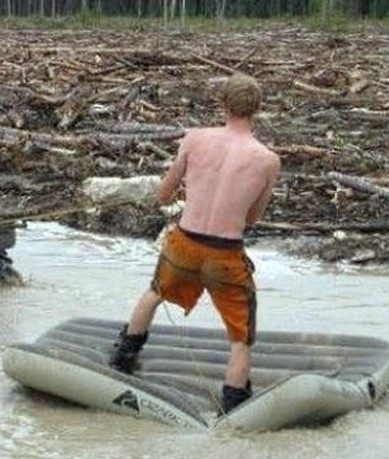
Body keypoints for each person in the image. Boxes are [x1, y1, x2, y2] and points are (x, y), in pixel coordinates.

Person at [108, 73, 281, 415]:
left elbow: (162, 195)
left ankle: (122, 360)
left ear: (223, 105)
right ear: (257, 110)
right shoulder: (268, 160)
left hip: (185, 244)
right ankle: (232, 405)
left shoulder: (195, 139)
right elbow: (253, 218)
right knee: (241, 338)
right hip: (225, 254)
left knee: (154, 294)